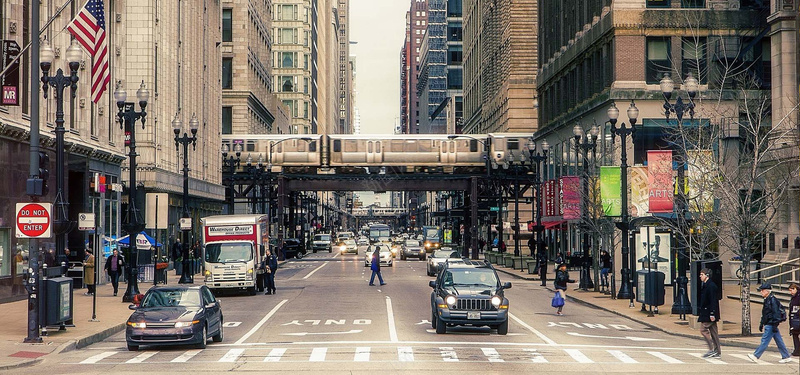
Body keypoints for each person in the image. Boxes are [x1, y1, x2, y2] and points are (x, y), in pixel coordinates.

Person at [748, 282, 793, 363]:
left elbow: (775, 313)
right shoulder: (768, 299)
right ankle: (786, 356)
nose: (761, 292)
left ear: (767, 291)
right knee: (779, 340)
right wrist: (761, 323)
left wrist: (775, 324)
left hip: (771, 323)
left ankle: (756, 355)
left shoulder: (772, 300)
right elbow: (765, 313)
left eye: (762, 290)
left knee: (765, 340)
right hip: (770, 323)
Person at [697, 268, 721, 358]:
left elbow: (713, 301)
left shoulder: (711, 286)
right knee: (714, 333)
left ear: (707, 275)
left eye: (702, 274)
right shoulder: (707, 285)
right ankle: (717, 351)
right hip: (708, 312)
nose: (700, 276)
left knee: (703, 330)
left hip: (709, 313)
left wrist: (712, 313)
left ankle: (711, 349)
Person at [788, 283, 800, 357]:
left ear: (795, 289)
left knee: (795, 334)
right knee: (795, 334)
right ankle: (797, 350)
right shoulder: (794, 297)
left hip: (797, 318)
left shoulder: (797, 297)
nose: (791, 292)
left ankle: (797, 350)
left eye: (792, 290)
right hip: (795, 318)